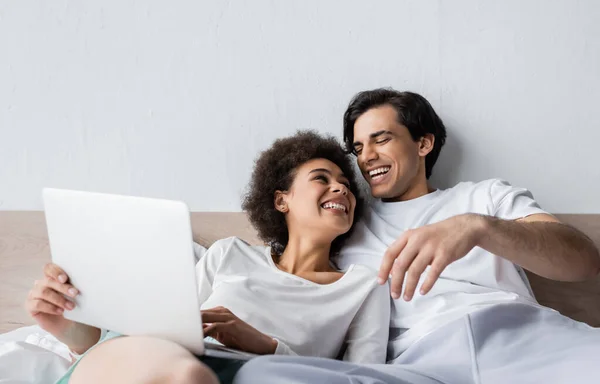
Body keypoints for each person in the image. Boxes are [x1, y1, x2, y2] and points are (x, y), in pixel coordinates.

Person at [234, 89, 600, 384]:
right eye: (359, 148)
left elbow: (583, 262)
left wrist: (477, 227)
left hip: (529, 342)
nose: (367, 157)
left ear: (423, 145)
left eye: (381, 139)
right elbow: (278, 276)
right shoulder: (344, 228)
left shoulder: (483, 197)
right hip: (417, 366)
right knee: (264, 375)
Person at [25, 131, 390, 384]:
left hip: (244, 375)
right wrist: (71, 327)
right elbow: (165, 330)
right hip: (158, 359)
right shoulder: (228, 253)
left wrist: (265, 345)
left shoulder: (364, 286)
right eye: (321, 178)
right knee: (184, 373)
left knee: (190, 377)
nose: (340, 187)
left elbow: (364, 377)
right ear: (282, 201)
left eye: (345, 182)